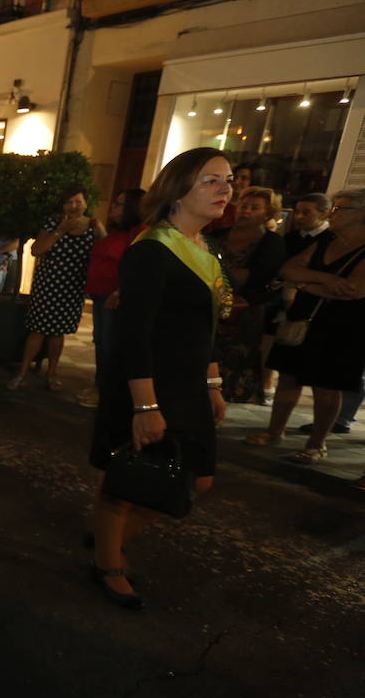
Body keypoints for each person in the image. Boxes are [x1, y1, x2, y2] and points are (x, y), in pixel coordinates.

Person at [89, 148, 232, 610]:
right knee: (131, 475)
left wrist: (213, 382)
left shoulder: (205, 249)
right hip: (146, 382)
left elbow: (207, 325)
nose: (225, 189)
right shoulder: (152, 250)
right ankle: (108, 561)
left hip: (188, 384)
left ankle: (108, 541)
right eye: (211, 180)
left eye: (228, 180)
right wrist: (145, 406)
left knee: (198, 479)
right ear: (177, 189)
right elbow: (134, 335)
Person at [246, 188, 365, 464]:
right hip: (304, 318)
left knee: (326, 385)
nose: (332, 214)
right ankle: (275, 431)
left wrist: (306, 284)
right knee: (288, 374)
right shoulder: (326, 242)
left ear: (360, 215)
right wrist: (324, 281)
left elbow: (354, 290)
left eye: (340, 209)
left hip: (341, 326)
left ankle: (316, 444)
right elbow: (289, 269)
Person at [9, 186, 102, 391]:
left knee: (58, 333)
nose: (74, 206)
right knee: (38, 330)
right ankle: (22, 372)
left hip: (72, 287)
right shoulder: (53, 223)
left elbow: (104, 253)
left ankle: (52, 373)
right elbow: (36, 250)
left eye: (78, 201)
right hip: (48, 285)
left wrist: (101, 231)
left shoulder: (93, 226)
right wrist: (60, 231)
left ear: (86, 203)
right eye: (69, 202)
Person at [205, 186, 285, 404]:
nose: (246, 211)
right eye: (243, 206)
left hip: (244, 310)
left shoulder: (271, 242)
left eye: (254, 208)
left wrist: (215, 279)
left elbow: (256, 275)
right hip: (211, 306)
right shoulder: (217, 235)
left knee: (235, 360)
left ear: (268, 214)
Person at [80, 188, 145, 407]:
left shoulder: (140, 232)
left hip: (112, 296)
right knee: (101, 341)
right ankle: (100, 386)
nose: (114, 207)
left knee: (109, 343)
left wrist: (119, 291)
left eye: (120, 204)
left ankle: (106, 392)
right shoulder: (118, 232)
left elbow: (136, 265)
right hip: (100, 294)